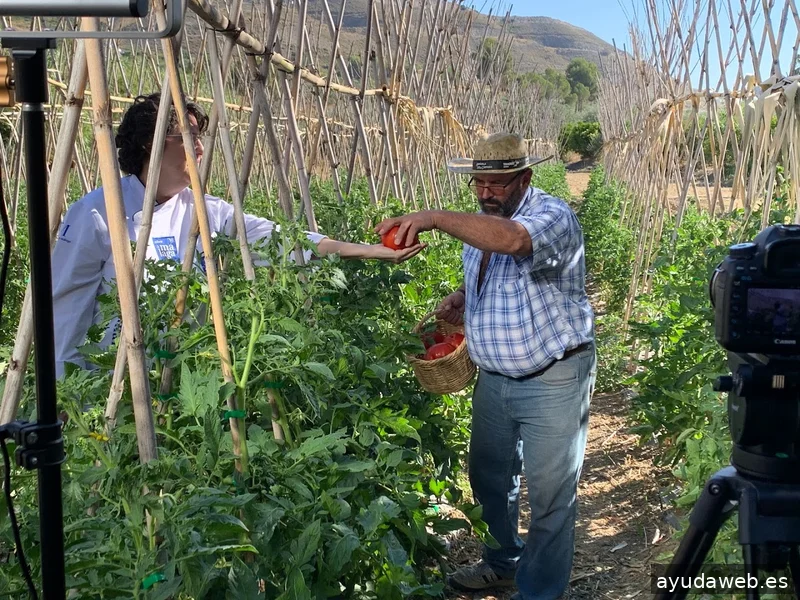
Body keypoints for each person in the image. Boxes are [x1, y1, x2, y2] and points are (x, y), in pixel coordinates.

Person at [52, 93, 424, 378]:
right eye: (189, 136)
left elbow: (276, 238)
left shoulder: (203, 210)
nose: (200, 148)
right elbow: (67, 309)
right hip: (113, 381)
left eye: (200, 137)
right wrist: (66, 392)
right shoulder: (100, 213)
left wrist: (368, 251)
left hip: (186, 377)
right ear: (151, 142)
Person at [375, 132, 595, 600]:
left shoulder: (552, 215)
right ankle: (503, 562)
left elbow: (514, 244)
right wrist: (462, 299)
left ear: (525, 178)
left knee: (551, 497)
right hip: (494, 378)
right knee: (490, 479)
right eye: (479, 183)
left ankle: (539, 592)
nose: (485, 193)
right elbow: (491, 271)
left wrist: (433, 218)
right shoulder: (480, 223)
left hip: (553, 376)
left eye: (496, 184)